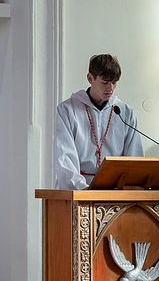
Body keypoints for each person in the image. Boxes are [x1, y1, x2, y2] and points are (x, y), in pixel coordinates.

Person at [54, 54, 144, 190]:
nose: (110, 88)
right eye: (105, 82)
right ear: (90, 78)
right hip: (77, 189)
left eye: (114, 82)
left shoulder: (125, 112)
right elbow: (64, 156)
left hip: (114, 191)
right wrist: (83, 189)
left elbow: (134, 158)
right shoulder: (68, 110)